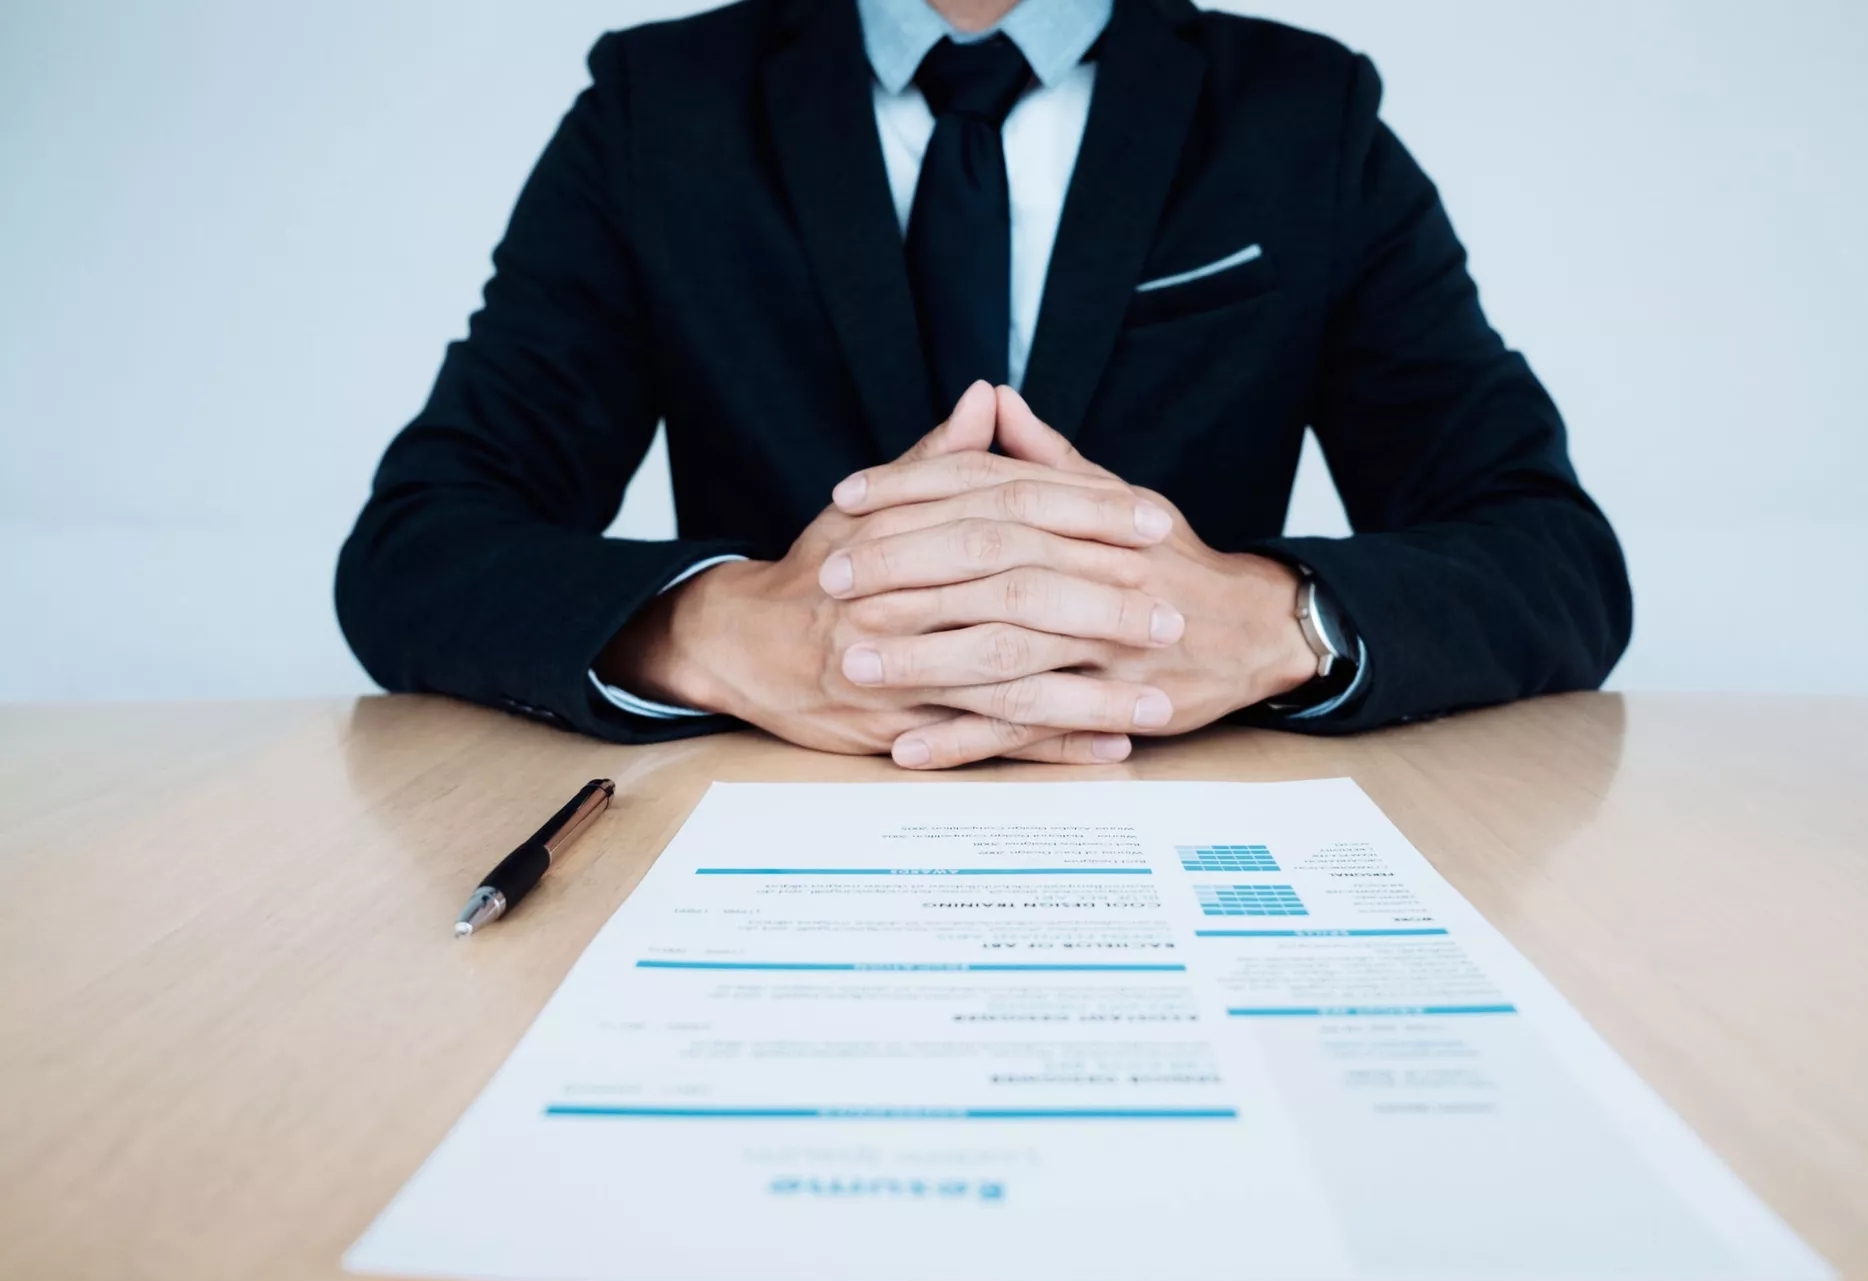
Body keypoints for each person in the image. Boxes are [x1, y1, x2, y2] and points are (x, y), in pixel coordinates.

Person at [336, 0, 1631, 770]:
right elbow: (417, 548)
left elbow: (1554, 554)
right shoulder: (656, 111)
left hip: (1176, 840)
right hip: (768, 843)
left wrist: (1265, 621)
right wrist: (724, 632)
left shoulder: (1304, 115)